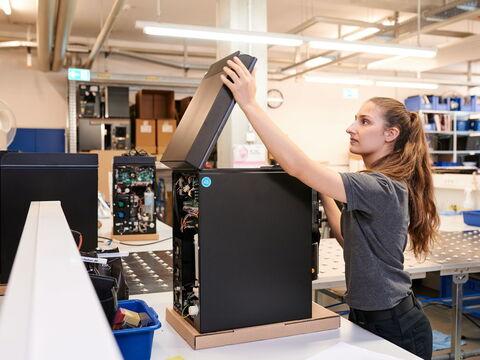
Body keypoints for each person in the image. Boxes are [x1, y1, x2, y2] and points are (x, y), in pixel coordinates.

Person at [221, 56, 438, 360]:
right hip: (369, 317)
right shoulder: (375, 184)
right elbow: (346, 237)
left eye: (364, 121)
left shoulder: (381, 186)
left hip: (397, 325)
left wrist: (249, 104)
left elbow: (298, 166)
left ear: (391, 134)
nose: (351, 128)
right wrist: (322, 188)